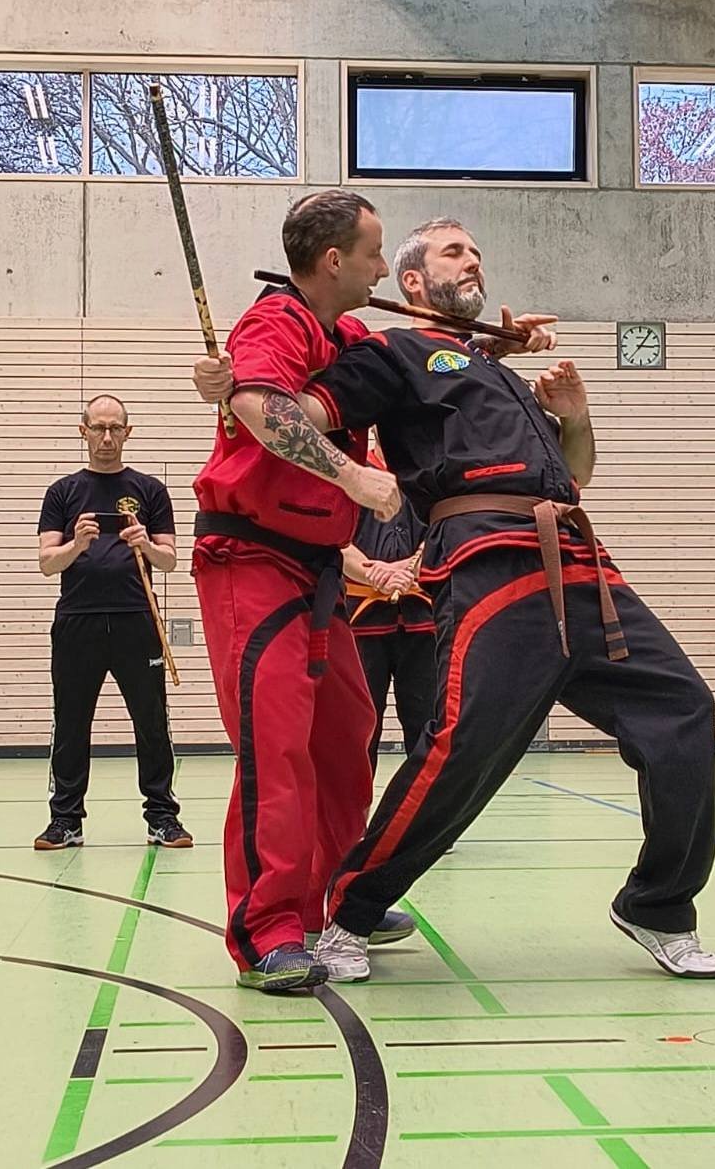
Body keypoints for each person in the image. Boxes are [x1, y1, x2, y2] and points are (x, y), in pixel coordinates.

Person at [196, 216, 715, 984]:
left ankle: (659, 902)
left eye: (478, 248)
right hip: (460, 559)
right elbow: (284, 404)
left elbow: (574, 475)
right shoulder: (376, 345)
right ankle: (327, 913)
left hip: (573, 556)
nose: (473, 257)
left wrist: (570, 412)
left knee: (684, 709)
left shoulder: (488, 369)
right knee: (435, 747)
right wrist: (238, 392)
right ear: (406, 280)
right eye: (452, 250)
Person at [191, 191, 416, 994]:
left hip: (319, 571)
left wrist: (504, 336)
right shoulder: (276, 322)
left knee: (346, 733)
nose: (382, 267)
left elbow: (409, 352)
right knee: (276, 747)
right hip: (251, 565)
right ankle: (268, 927)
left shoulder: (345, 333)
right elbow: (255, 404)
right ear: (332, 260)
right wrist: (356, 473)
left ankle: (332, 898)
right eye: (373, 252)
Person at [34, 394, 191, 852]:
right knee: (70, 722)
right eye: (97, 428)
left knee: (151, 722)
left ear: (128, 431)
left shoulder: (150, 490)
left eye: (114, 428)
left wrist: (145, 542)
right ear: (83, 432)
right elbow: (47, 563)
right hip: (77, 622)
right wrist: (77, 545)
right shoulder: (62, 492)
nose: (106, 437)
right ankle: (65, 820)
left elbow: (170, 560)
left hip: (137, 621)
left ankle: (162, 817)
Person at [341, 436, 436, 775]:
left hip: (423, 620)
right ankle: (353, 823)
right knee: (358, 730)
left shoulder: (429, 473)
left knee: (428, 728)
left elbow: (442, 529)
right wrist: (373, 573)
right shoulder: (349, 469)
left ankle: (424, 821)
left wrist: (410, 568)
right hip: (360, 620)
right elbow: (333, 538)